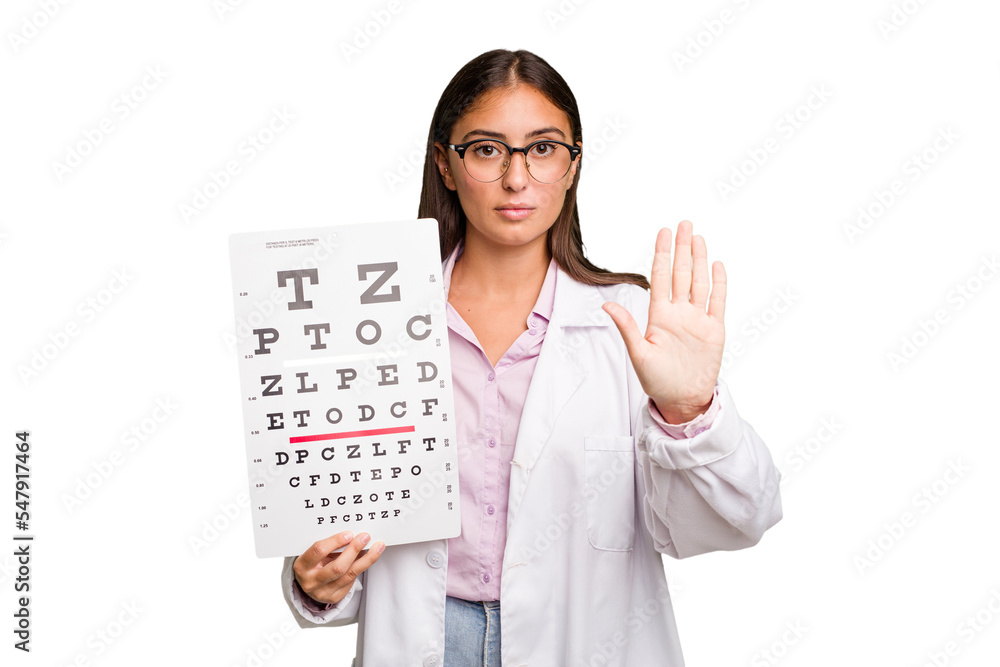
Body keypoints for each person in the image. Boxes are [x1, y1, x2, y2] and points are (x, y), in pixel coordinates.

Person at [281, 48, 783, 667]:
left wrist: (688, 409)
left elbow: (740, 520)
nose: (517, 178)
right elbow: (336, 502)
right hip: (425, 642)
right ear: (446, 163)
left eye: (543, 148)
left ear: (572, 166)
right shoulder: (373, 317)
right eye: (487, 149)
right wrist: (315, 583)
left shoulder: (629, 326)